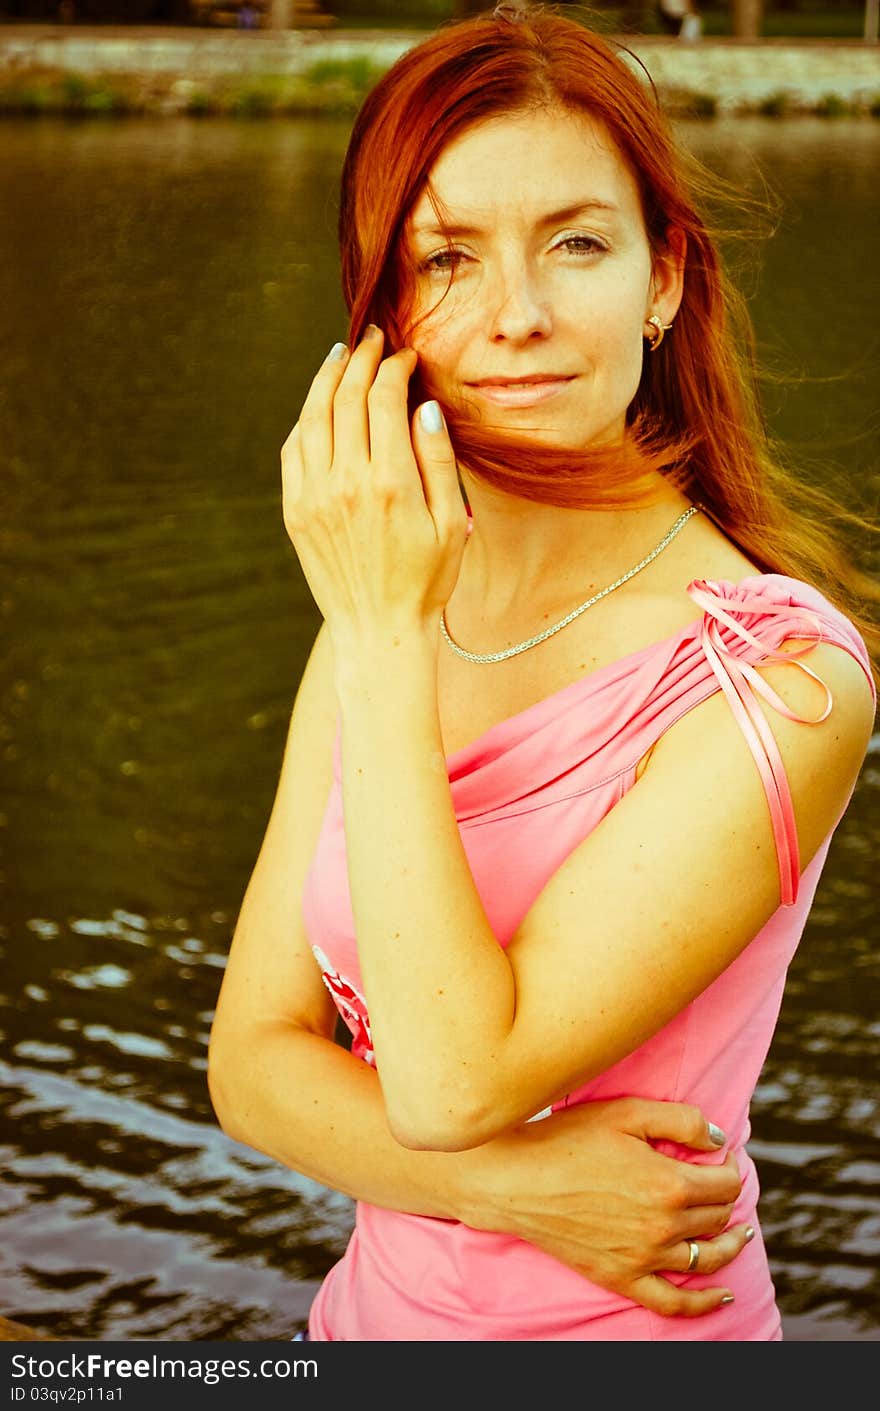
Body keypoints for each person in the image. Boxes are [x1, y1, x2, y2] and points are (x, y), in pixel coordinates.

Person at [207, 5, 878, 1341]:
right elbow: (252, 1064)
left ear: (665, 277)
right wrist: (520, 1192)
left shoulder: (784, 676)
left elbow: (455, 1083)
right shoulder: (383, 600)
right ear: (387, 305)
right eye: (447, 256)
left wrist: (385, 644)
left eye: (577, 243)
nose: (516, 317)